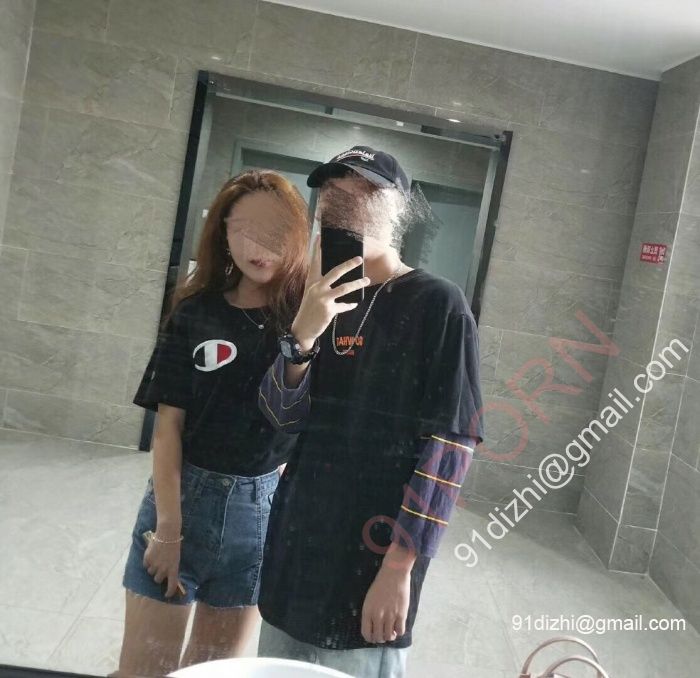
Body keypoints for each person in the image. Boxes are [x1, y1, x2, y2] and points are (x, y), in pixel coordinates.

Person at [256, 146, 485, 678]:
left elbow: (450, 446)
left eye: (362, 191)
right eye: (331, 192)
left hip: (374, 552)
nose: (340, 201)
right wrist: (302, 336)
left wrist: (400, 565)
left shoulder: (438, 304)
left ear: (396, 209)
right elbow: (279, 420)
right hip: (295, 541)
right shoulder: (313, 299)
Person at [115, 170, 309, 676]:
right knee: (142, 670)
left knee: (216, 672)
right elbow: (168, 429)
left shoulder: (307, 324)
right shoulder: (195, 312)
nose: (257, 246)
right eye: (243, 229)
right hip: (182, 499)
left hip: (258, 514)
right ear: (222, 233)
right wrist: (169, 530)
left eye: (273, 230)